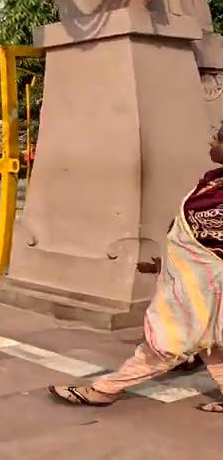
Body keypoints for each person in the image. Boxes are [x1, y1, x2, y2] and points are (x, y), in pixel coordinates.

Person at [47, 123, 223, 411]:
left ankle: (105, 389)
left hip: (205, 288)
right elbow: (192, 234)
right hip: (198, 284)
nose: (211, 141)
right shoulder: (213, 181)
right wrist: (169, 262)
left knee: (168, 342)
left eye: (218, 138)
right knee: (211, 340)